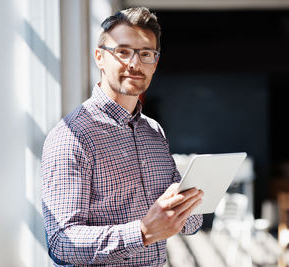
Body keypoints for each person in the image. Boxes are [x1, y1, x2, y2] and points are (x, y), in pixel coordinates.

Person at [41, 7, 204, 267]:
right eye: (123, 52)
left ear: (155, 62)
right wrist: (142, 232)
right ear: (100, 58)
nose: (135, 64)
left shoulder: (154, 132)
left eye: (146, 54)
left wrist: (192, 203)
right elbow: (62, 243)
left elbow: (189, 225)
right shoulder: (72, 136)